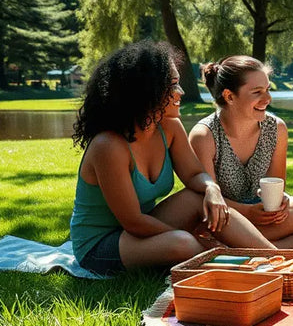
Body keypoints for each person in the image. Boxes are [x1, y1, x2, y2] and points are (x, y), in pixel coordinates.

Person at [70, 42, 276, 276]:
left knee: (197, 197)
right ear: (146, 90)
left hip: (143, 227)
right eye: (173, 85)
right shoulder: (108, 146)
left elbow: (194, 175)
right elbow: (133, 222)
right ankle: (241, 266)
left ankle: (275, 260)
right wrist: (202, 240)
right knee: (183, 243)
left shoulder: (169, 127)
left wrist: (212, 189)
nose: (181, 92)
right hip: (101, 245)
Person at [189, 56, 293, 249]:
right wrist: (247, 212)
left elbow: (275, 186)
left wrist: (281, 202)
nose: (267, 99)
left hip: (258, 216)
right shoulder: (204, 135)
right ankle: (273, 247)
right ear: (229, 96)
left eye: (268, 90)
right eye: (257, 92)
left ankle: (243, 246)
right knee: (216, 220)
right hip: (224, 218)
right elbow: (207, 201)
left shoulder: (276, 129)